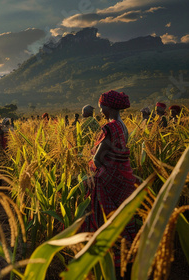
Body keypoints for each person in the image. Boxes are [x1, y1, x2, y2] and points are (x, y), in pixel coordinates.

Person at [82, 90, 137, 266]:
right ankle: (127, 255)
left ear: (109, 106)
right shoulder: (123, 126)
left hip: (108, 181)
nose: (100, 111)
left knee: (104, 218)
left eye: (101, 107)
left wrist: (93, 173)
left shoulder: (110, 127)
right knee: (122, 217)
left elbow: (98, 159)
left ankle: (108, 260)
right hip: (124, 178)